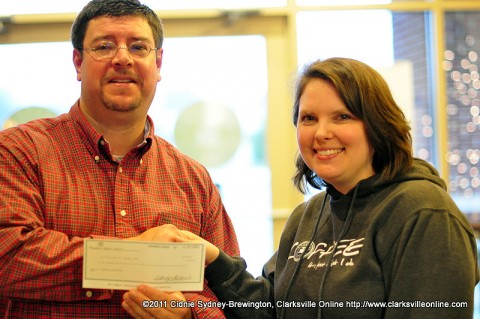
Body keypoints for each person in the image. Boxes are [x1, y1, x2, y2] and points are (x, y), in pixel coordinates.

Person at [122, 57, 479, 319]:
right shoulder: (309, 215)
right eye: (309, 118)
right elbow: (270, 308)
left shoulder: (424, 213)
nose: (321, 133)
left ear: (378, 125)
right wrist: (211, 259)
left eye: (342, 116)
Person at [0, 0, 239, 318]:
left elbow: (231, 294)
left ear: (158, 63)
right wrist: (133, 257)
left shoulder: (194, 180)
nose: (123, 58)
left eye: (139, 47)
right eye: (104, 46)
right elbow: (9, 258)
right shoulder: (18, 152)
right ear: (78, 62)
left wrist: (189, 314)